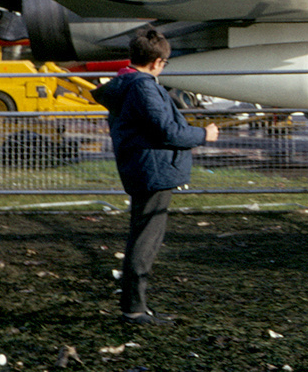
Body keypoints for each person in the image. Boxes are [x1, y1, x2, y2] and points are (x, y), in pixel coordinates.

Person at [90, 28, 218, 327]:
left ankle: (135, 305)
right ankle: (135, 308)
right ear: (158, 62)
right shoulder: (142, 87)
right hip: (153, 171)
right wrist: (203, 134)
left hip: (144, 167)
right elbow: (168, 131)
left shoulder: (127, 84)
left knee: (142, 235)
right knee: (146, 240)